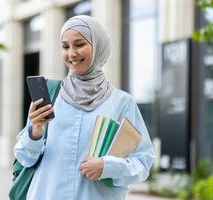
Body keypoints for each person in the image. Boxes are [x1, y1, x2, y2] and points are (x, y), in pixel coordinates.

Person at [14, 15, 155, 200]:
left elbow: (143, 162)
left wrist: (107, 166)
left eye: (79, 44)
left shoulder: (122, 102)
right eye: (65, 47)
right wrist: (35, 132)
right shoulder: (51, 96)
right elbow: (25, 159)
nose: (71, 54)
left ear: (98, 46)